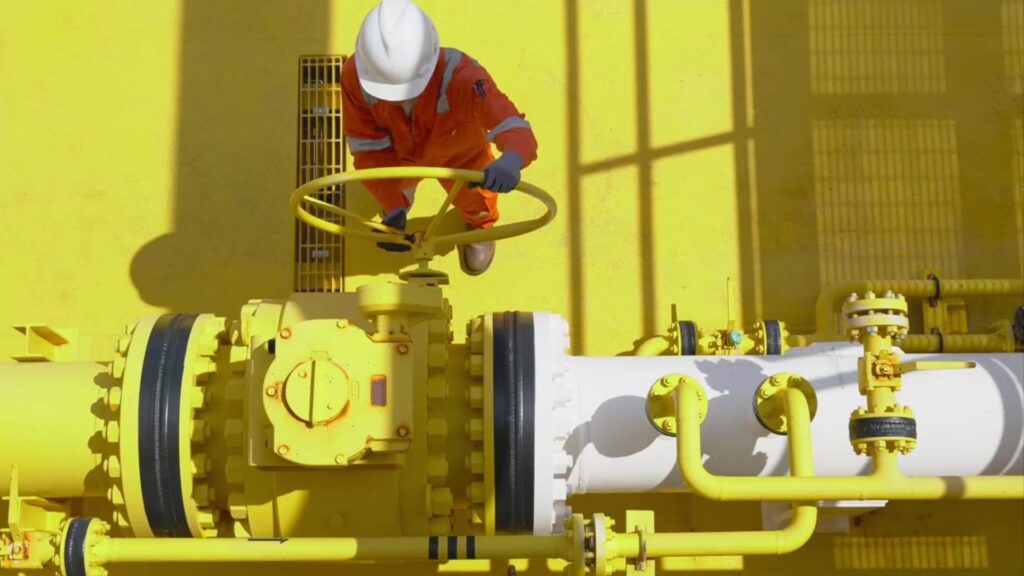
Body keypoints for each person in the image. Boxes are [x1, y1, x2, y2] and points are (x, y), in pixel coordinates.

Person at [341, 0, 538, 275]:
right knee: (390, 194)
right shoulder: (356, 78)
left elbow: (512, 124)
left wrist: (511, 160)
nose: (399, 99)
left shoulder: (465, 77)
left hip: (463, 156)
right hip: (399, 156)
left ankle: (480, 227)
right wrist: (393, 206)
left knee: (478, 201)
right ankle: (396, 211)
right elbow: (367, 147)